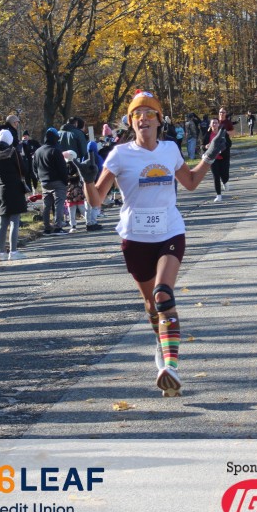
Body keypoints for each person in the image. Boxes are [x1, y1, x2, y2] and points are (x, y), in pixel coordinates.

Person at [75, 90, 227, 397]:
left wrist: (210, 156)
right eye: (137, 115)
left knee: (163, 294)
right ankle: (161, 343)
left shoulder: (170, 149)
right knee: (151, 305)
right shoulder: (119, 154)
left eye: (148, 114)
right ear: (131, 122)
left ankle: (170, 366)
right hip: (135, 239)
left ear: (159, 120)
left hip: (170, 232)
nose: (142, 118)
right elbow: (96, 201)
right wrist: (87, 179)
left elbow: (191, 183)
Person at [0, 129, 28, 260]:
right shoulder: (12, 152)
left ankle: (1, 253)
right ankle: (13, 251)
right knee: (14, 221)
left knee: (2, 222)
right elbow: (23, 169)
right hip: (14, 188)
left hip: (0, 188)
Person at [33, 128, 68, 235]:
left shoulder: (38, 151)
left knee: (46, 205)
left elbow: (34, 168)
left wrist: (39, 178)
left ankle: (47, 228)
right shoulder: (55, 150)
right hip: (57, 181)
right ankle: (58, 227)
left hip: (44, 182)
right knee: (59, 204)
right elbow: (62, 168)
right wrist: (65, 181)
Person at [205, 118, 230, 202]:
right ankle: (219, 195)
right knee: (216, 176)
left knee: (225, 174)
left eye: (216, 123)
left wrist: (222, 148)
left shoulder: (223, 133)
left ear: (218, 124)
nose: (214, 124)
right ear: (210, 125)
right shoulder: (207, 135)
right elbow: (202, 145)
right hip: (213, 159)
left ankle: (225, 182)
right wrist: (205, 146)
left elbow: (229, 144)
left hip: (223, 157)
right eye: (213, 123)